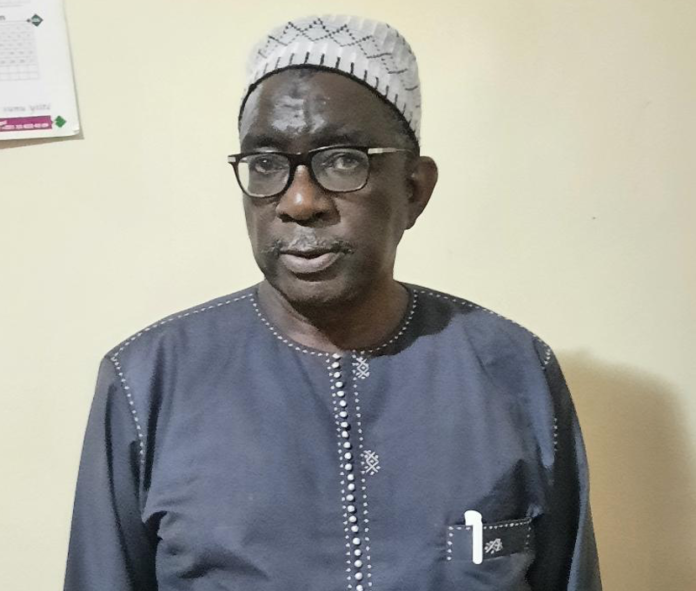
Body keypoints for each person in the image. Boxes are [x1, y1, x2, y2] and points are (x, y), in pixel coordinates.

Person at [63, 14, 602, 591]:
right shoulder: (147, 383)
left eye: (344, 159)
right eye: (266, 163)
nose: (299, 201)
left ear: (414, 189)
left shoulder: (515, 370)